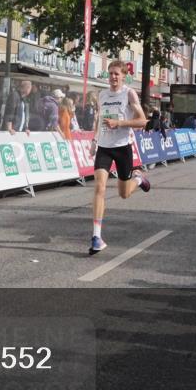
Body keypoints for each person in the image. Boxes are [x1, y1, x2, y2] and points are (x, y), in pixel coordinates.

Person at [88, 60, 150, 255]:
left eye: (117, 74)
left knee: (124, 193)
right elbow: (100, 119)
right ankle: (96, 237)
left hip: (122, 148)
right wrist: (94, 140)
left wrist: (120, 123)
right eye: (111, 73)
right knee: (99, 187)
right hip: (104, 148)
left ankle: (138, 179)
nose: (113, 77)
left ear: (124, 76)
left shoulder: (129, 94)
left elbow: (142, 121)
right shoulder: (102, 94)